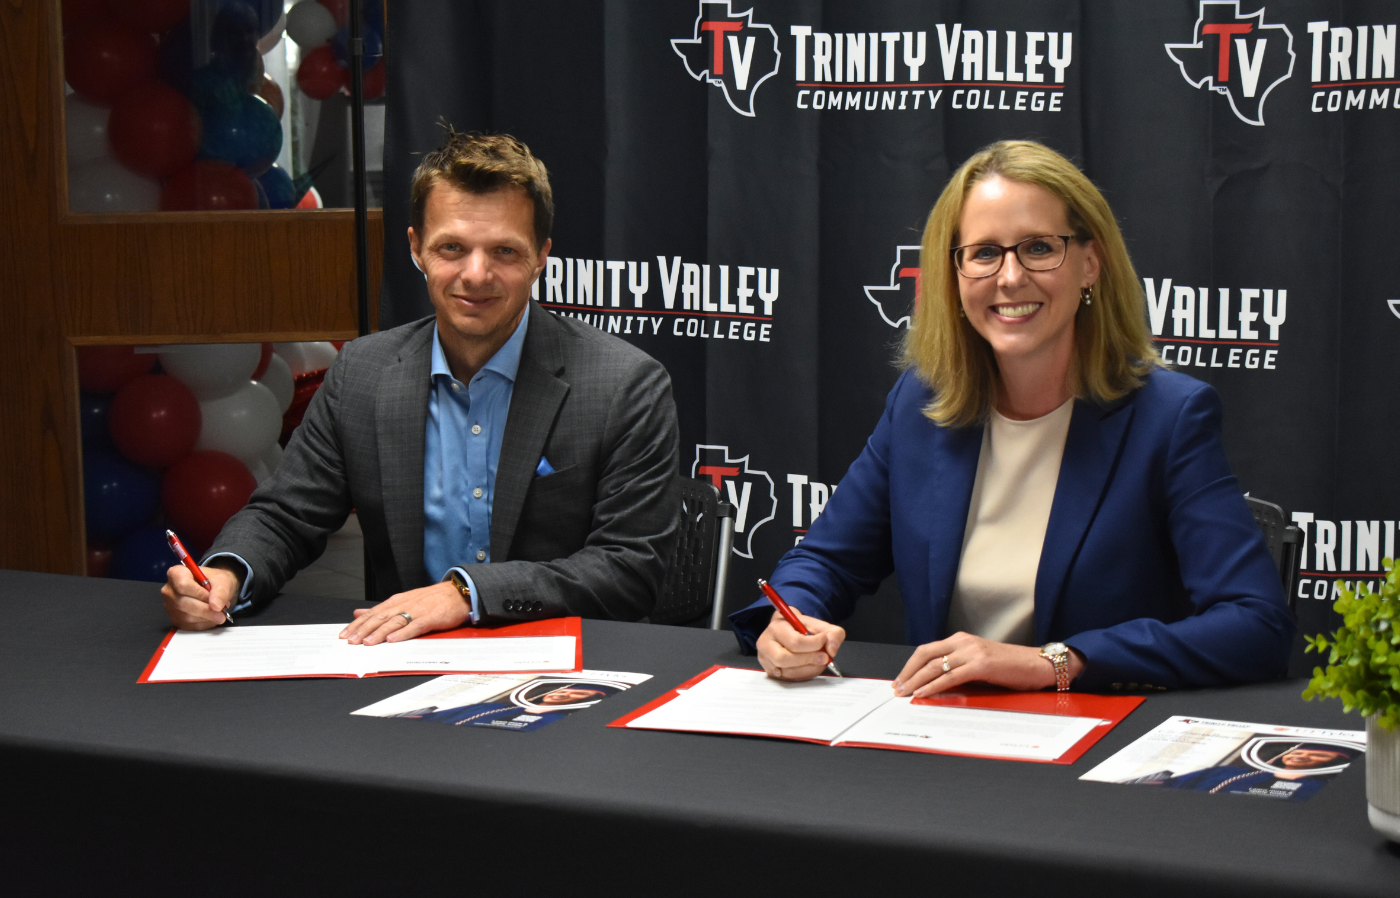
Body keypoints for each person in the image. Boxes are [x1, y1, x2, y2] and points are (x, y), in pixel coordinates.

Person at [731, 140, 1293, 694]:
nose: (1009, 277)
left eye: (1039, 248)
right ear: (953, 274)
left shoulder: (1169, 418)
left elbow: (1255, 623)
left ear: (1090, 263)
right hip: (940, 739)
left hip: (1092, 750)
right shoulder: (920, 404)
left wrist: (1057, 662)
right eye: (983, 253)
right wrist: (789, 622)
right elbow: (828, 559)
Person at [162, 130, 680, 643]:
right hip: (403, 671)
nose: (476, 275)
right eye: (451, 247)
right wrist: (226, 576)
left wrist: (465, 593)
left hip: (567, 670)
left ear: (541, 255)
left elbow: (629, 567)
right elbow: (285, 515)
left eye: (504, 251)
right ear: (416, 248)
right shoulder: (362, 372)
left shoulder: (624, 386)